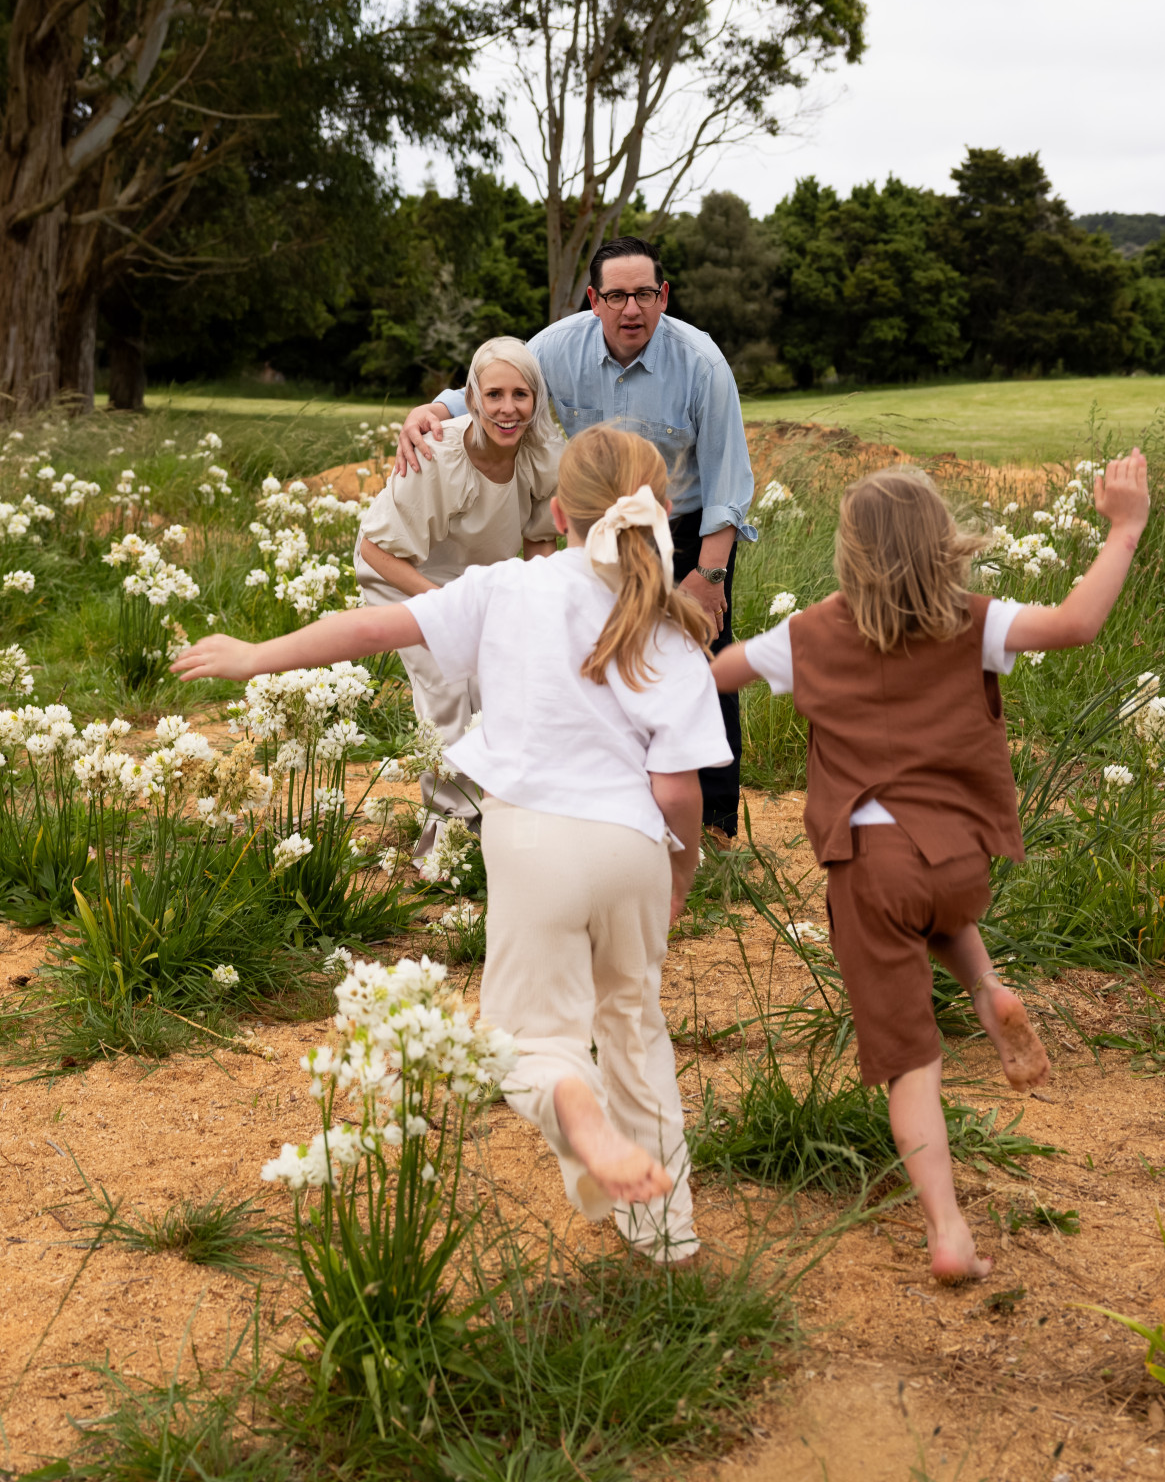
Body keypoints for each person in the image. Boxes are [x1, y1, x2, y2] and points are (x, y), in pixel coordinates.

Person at [173, 425, 729, 1266]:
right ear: (661, 514)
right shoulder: (668, 621)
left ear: (556, 510)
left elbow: (364, 632)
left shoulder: (506, 586)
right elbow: (680, 790)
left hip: (532, 839)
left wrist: (258, 658)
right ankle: (667, 1237)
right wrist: (678, 870)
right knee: (635, 1027)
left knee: (527, 1042)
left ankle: (575, 1110)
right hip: (634, 847)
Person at [710, 450, 1151, 1282]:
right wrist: (1124, 529)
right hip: (959, 860)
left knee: (910, 1061)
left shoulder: (804, 637)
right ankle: (987, 988)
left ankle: (947, 1231)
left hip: (870, 867)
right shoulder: (973, 620)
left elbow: (714, 679)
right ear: (945, 545)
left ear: (848, 555)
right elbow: (1075, 624)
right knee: (938, 906)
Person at [392, 236, 754, 841]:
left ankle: (712, 821)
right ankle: (613, 799)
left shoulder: (701, 362)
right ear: (594, 300)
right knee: (597, 650)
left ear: (663, 296)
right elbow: (490, 385)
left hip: (679, 525)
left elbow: (728, 479)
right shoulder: (559, 347)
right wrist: (430, 409)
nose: (631, 309)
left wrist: (710, 576)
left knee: (698, 654)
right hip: (591, 524)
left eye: (645, 294)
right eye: (617, 296)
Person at [355, 336, 561, 834]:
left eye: (520, 395)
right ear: (471, 399)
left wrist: (530, 607)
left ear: (536, 401)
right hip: (403, 575)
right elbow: (375, 550)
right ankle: (447, 839)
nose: (507, 409)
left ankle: (490, 821)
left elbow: (539, 541)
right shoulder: (437, 453)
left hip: (475, 582)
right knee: (448, 688)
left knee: (496, 684)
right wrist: (447, 606)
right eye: (494, 395)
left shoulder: (542, 455)